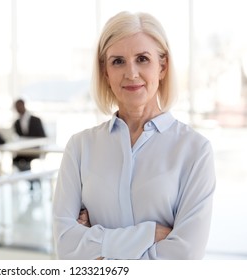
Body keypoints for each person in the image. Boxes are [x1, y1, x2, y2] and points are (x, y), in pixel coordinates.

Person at [53, 11, 216, 260]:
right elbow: (65, 246)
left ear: (162, 66)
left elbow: (185, 256)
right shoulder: (79, 147)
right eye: (118, 61)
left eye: (142, 59)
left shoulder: (194, 150)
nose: (131, 73)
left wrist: (96, 247)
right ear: (105, 72)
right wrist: (149, 234)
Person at [12, 99, 46, 189]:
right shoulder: (16, 123)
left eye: (19, 106)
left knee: (25, 162)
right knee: (15, 161)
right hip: (22, 151)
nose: (17, 109)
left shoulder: (36, 120)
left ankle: (32, 180)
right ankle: (33, 180)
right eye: (16, 107)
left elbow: (43, 136)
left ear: (23, 105)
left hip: (35, 150)